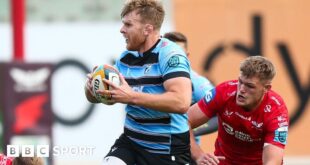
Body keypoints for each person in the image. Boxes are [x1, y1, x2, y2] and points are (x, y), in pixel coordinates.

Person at [84, 0, 192, 164]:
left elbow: (181, 102)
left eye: (128, 24)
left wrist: (132, 96)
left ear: (148, 29)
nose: (122, 30)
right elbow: (110, 96)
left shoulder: (170, 55)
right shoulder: (126, 58)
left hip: (166, 150)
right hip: (131, 143)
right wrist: (91, 89)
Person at [188, 56, 289, 164]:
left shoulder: (277, 113)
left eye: (250, 86)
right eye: (240, 82)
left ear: (266, 88)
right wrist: (198, 155)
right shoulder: (223, 92)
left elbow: (272, 162)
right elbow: (185, 121)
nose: (241, 90)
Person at [163, 31, 216, 144]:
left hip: (185, 153)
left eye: (179, 54)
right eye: (169, 54)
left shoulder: (198, 83)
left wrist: (187, 130)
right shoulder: (150, 75)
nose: (174, 59)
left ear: (187, 56)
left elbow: (217, 117)